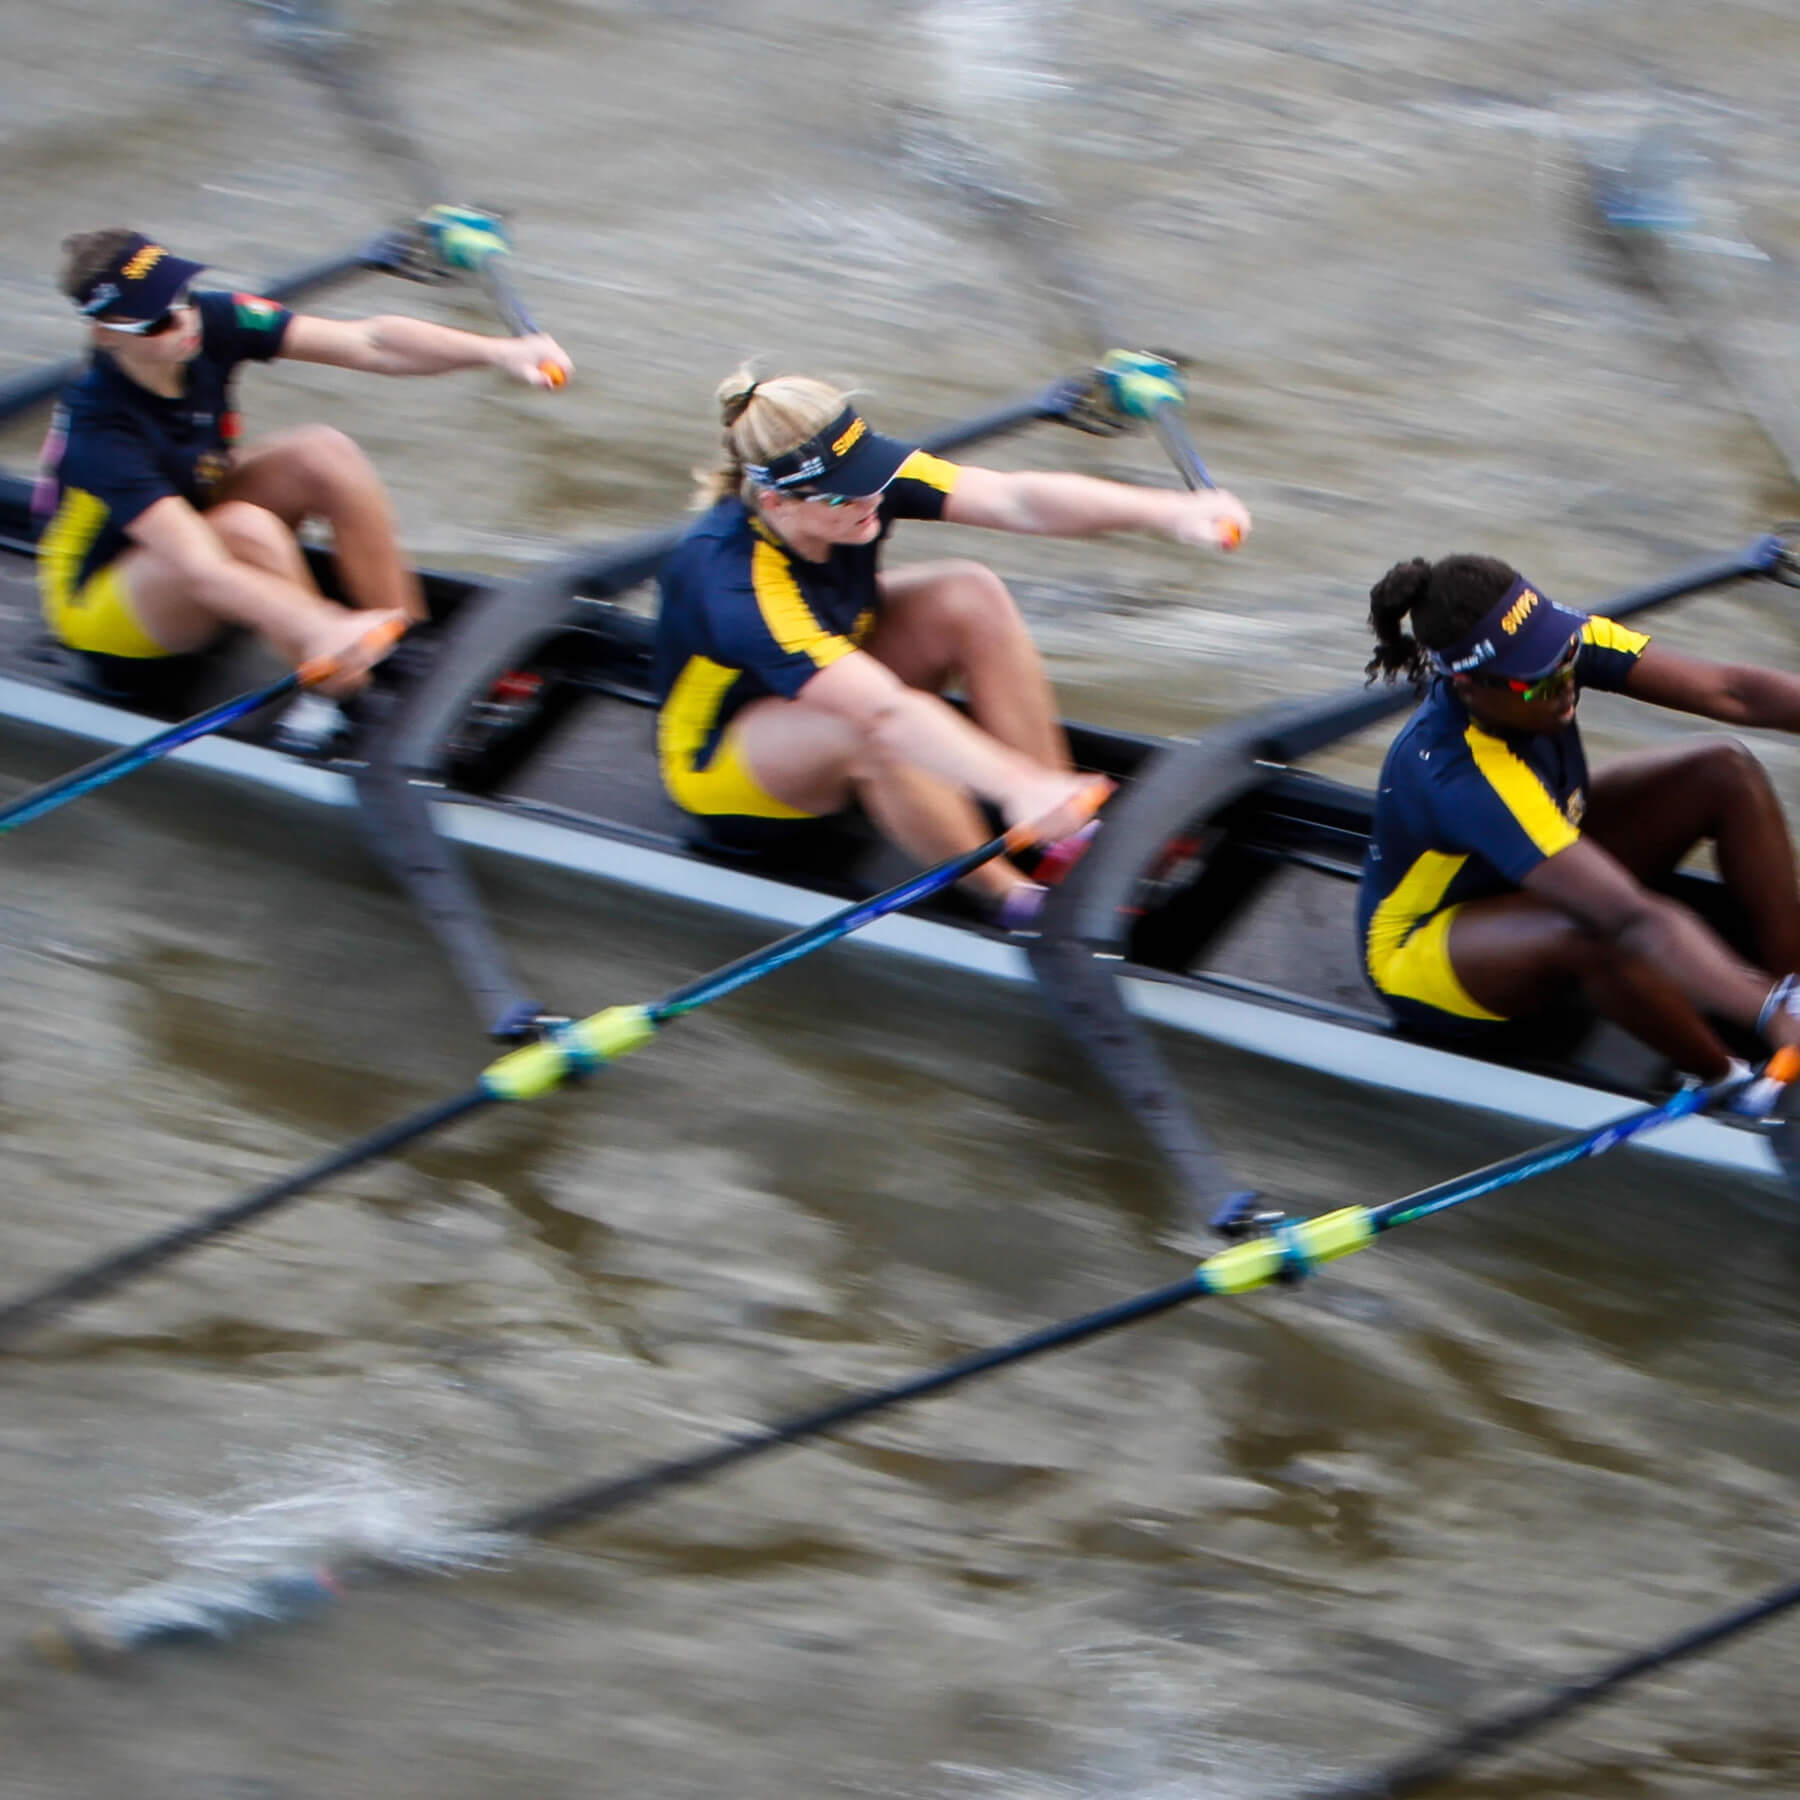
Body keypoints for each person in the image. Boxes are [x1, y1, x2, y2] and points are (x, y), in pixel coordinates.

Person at [652, 368, 1252, 924]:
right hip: (726, 768)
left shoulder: (859, 485)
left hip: (829, 681)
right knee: (873, 727)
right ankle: (1013, 896)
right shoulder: (735, 583)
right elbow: (883, 709)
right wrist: (1015, 786)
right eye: (844, 497)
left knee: (967, 592)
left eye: (871, 482)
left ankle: (1062, 834)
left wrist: (1170, 512)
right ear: (777, 502)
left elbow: (1018, 500)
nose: (871, 504)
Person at [36, 228, 573, 699]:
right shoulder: (98, 430)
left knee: (322, 451)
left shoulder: (212, 322)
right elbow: (204, 567)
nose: (183, 322)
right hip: (105, 606)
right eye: (157, 322)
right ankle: (339, 686)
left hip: (186, 527)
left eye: (183, 296)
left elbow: (372, 342)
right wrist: (319, 623)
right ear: (106, 335)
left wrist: (500, 352)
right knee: (248, 531)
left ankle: (401, 644)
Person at [1359, 551, 1800, 1080]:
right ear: (1468, 687)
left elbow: (1735, 693)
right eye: (1536, 680)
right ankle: (1731, 1082)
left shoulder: (1559, 642)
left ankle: (1794, 990)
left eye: (1565, 654)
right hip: (1428, 949)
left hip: (1528, 866)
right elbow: (1630, 917)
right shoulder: (1460, 775)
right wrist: (1765, 1013)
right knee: (1594, 925)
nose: (1564, 680)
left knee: (1725, 770)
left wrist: (1777, 1002)